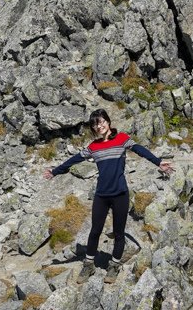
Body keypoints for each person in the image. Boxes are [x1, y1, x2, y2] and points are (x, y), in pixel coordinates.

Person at [43, 109, 173, 284]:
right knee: (95, 231)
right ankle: (88, 265)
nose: (99, 125)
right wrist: (55, 171)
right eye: (95, 123)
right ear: (93, 128)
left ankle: (114, 265)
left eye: (102, 121)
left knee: (119, 233)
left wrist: (158, 162)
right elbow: (73, 160)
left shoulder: (122, 139)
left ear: (108, 122)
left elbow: (140, 150)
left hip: (120, 194)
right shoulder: (93, 147)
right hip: (101, 196)